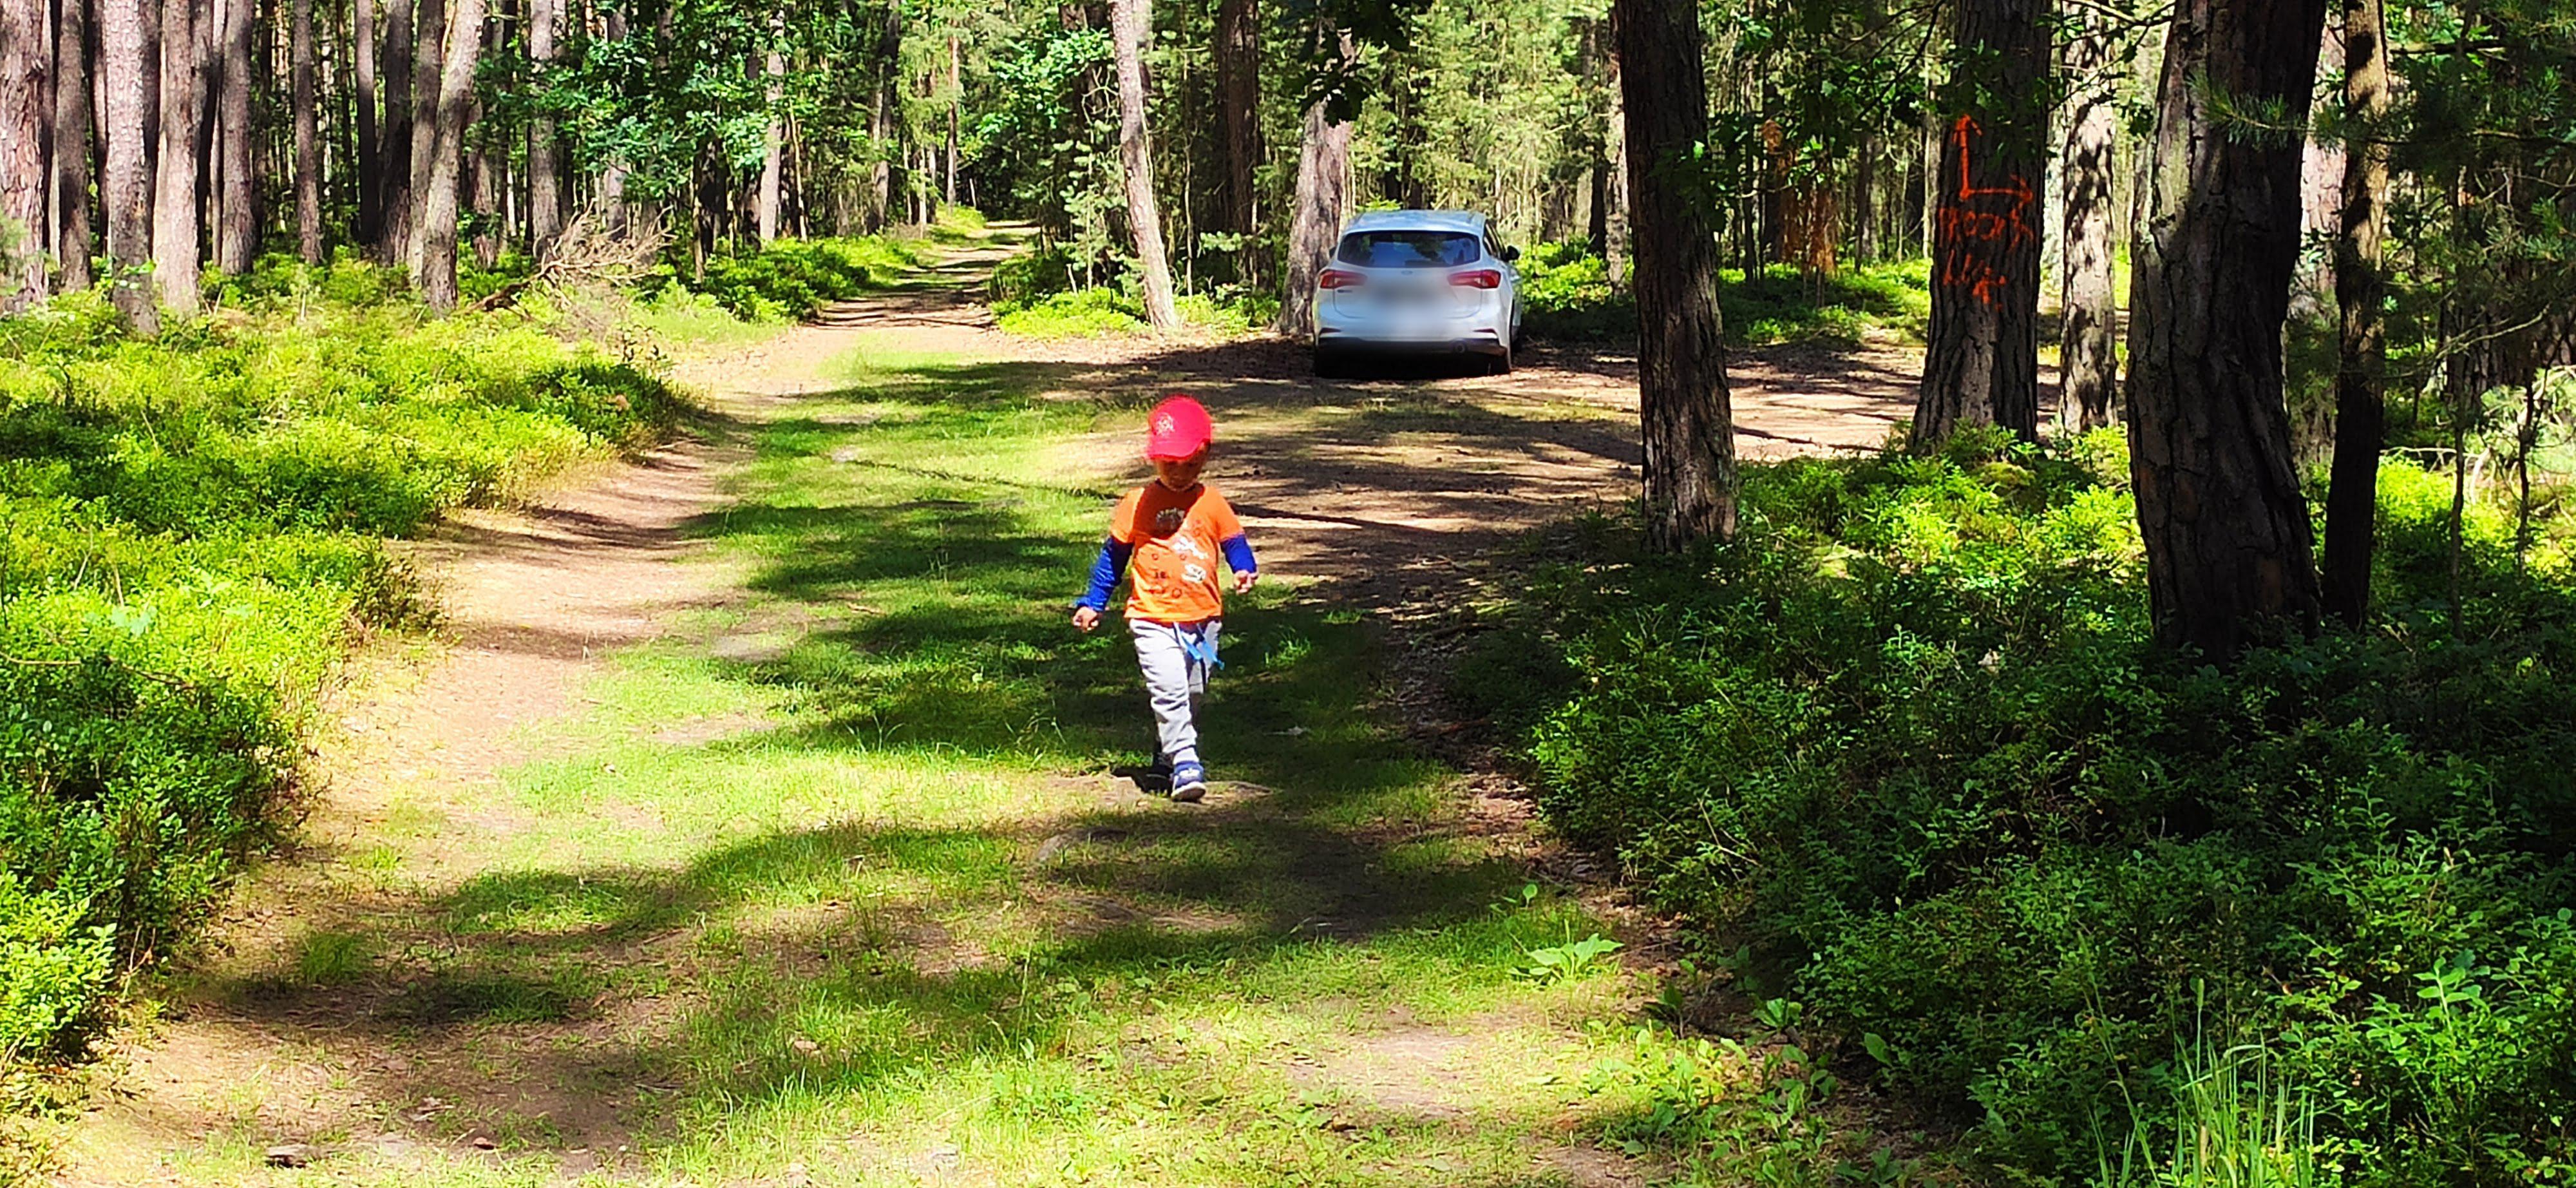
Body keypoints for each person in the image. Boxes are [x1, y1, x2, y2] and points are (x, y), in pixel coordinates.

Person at [1071, 395, 1258, 803]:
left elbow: (1234, 541)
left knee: (1193, 692)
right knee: (1169, 688)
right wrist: (1093, 601)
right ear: (1153, 458)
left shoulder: (1211, 503)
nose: (1178, 473)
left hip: (1204, 617)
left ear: (1205, 456)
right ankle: (1187, 764)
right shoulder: (1136, 504)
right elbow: (1113, 558)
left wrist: (1243, 567)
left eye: (1189, 464)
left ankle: (1166, 750)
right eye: (1168, 464)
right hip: (1151, 617)